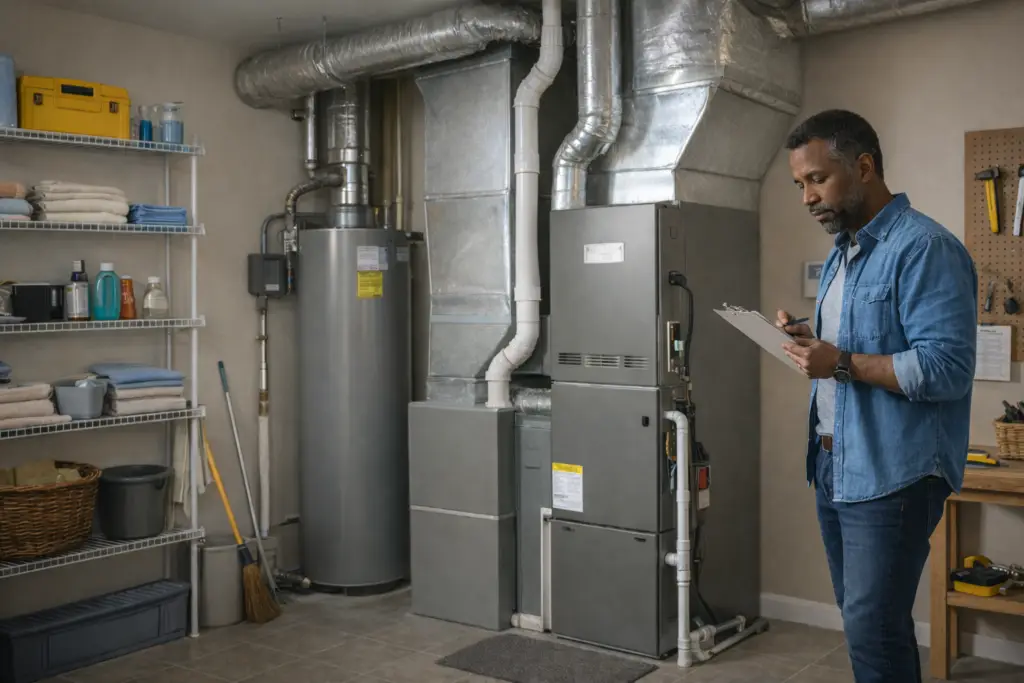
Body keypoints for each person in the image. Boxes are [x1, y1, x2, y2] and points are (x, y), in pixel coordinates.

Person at [775, 110, 977, 683]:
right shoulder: (845, 252)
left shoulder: (925, 248)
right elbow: (861, 349)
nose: (807, 197)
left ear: (863, 166)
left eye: (817, 179)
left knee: (874, 626)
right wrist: (814, 345)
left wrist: (837, 362)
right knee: (868, 622)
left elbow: (947, 369)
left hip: (893, 473)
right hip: (834, 462)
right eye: (799, 185)